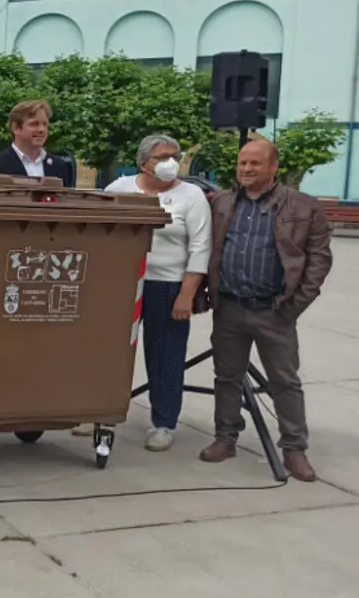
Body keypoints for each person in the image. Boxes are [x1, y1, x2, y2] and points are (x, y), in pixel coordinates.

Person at [199, 139, 332, 481]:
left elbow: (319, 260)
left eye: (254, 163)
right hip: (229, 308)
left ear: (273, 167)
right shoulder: (221, 203)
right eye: (242, 162)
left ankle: (294, 450)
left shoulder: (303, 207)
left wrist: (295, 304)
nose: (246, 169)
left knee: (285, 382)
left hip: (275, 311)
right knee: (227, 377)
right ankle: (225, 438)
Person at [101, 135, 212, 451]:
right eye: (162, 157)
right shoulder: (119, 189)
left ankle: (164, 422)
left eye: (174, 155)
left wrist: (187, 294)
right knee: (109, 352)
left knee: (166, 356)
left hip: (168, 285)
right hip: (122, 285)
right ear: (143, 163)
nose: (170, 162)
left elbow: (201, 246)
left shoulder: (192, 196)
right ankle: (99, 413)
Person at [0, 100, 75, 187]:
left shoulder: (60, 166)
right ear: (16, 128)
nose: (41, 129)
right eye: (34, 124)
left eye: (45, 124)